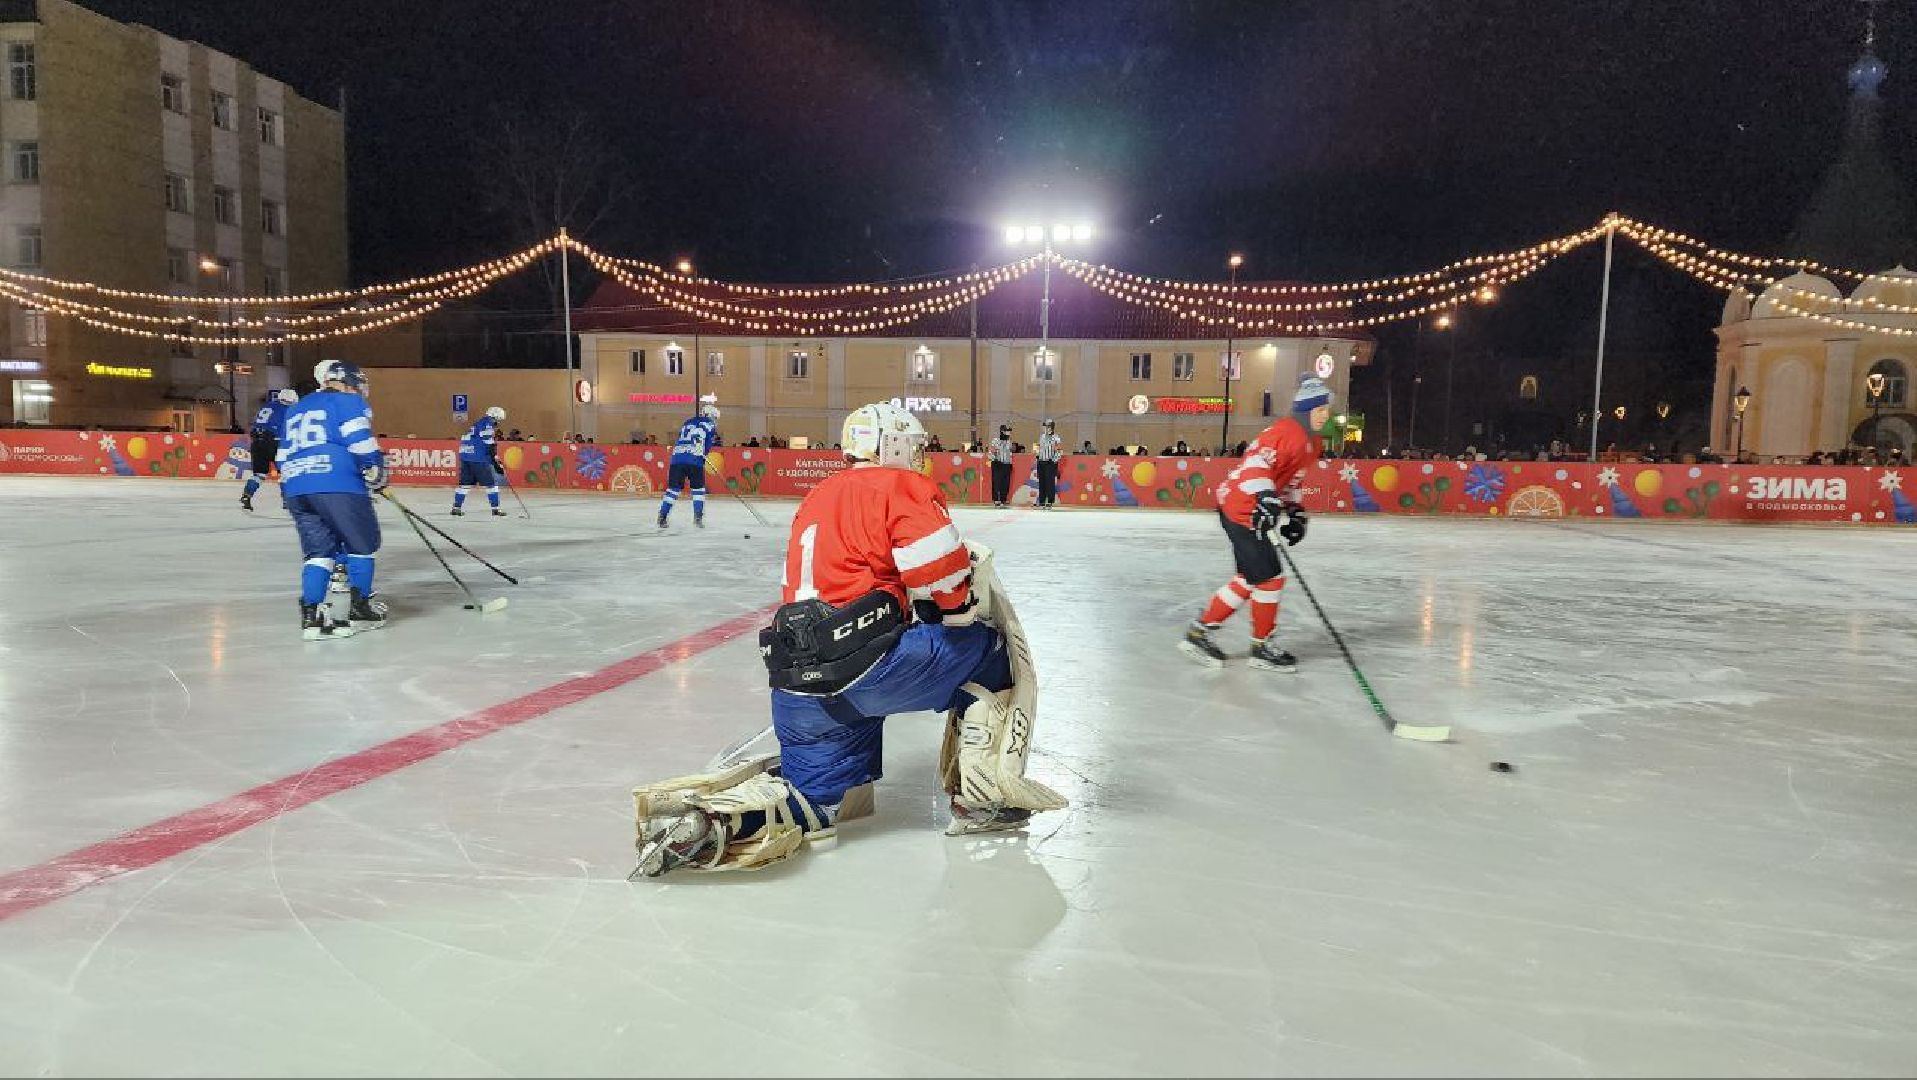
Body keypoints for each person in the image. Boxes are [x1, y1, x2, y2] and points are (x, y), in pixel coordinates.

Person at [630, 401, 1066, 878]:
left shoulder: (818, 495)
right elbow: (939, 569)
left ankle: (719, 824)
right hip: (866, 666)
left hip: (797, 684)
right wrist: (958, 607)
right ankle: (984, 796)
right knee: (990, 653)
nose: (918, 456)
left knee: (815, 808)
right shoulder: (897, 484)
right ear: (892, 443)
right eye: (913, 446)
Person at [1179, 377, 1331, 673]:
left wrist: (1294, 510)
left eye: (1326, 408)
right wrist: (1264, 497)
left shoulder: (1313, 443)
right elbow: (1254, 464)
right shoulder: (1287, 432)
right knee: (1270, 578)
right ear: (1305, 410)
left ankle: (1199, 633)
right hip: (1243, 508)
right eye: (1319, 408)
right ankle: (1261, 647)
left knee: (1250, 578)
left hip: (1246, 507)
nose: (1325, 413)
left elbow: (1290, 479)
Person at [278, 360, 387, 640]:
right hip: (337, 483)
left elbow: (282, 455)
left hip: (297, 486)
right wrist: (375, 469)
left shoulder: (296, 407)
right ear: (349, 381)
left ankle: (312, 617)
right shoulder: (348, 402)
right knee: (362, 545)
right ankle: (359, 610)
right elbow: (360, 440)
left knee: (319, 553)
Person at [659, 401, 720, 528]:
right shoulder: (710, 425)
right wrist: (703, 458)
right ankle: (698, 518)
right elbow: (707, 445)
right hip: (694, 458)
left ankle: (662, 516)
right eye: (714, 417)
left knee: (673, 490)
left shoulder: (687, 422)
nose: (715, 420)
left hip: (677, 458)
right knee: (698, 490)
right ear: (710, 415)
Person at [240, 388, 298, 512]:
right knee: (285, 472)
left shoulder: (268, 405)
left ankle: (247, 495)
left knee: (259, 474)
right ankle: (287, 501)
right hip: (274, 441)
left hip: (256, 442)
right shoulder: (288, 409)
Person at [452, 406, 508, 517]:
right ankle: (495, 509)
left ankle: (456, 508)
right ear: (495, 416)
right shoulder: (487, 424)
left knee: (464, 485)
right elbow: (488, 443)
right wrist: (495, 460)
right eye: (498, 419)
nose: (498, 422)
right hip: (478, 459)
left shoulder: (477, 424)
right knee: (491, 485)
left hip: (466, 458)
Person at [1034, 419, 1063, 509]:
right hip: (1041, 462)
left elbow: (1059, 452)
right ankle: (1042, 501)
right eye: (1044, 426)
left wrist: (1054, 461)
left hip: (1050, 463)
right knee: (1042, 481)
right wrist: (1037, 454)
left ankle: (1050, 501)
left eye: (1046, 426)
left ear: (1050, 427)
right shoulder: (1042, 436)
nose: (1044, 428)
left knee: (1050, 482)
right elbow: (1037, 446)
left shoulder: (1056, 438)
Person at [988, 423, 1014, 507]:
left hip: (1006, 464)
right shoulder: (995, 440)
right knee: (996, 482)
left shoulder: (1009, 442)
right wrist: (994, 459)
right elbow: (991, 452)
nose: (1009, 433)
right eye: (1007, 431)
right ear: (1002, 431)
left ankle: (1003, 499)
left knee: (1006, 483)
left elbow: (1009, 454)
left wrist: (1010, 463)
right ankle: (996, 499)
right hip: (997, 463)